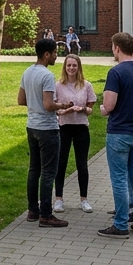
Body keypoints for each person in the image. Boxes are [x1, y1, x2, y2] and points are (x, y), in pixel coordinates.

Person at [97, 33, 133, 239]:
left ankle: (120, 224)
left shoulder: (116, 72)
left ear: (117, 48)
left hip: (119, 132)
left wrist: (103, 109)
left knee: (119, 178)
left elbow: (109, 105)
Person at [20, 38, 67, 227]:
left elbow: (21, 100)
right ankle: (46, 215)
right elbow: (48, 105)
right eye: (55, 53)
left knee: (34, 169)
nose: (56, 56)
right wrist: (62, 105)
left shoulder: (27, 72)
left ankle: (33, 210)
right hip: (47, 128)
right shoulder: (47, 75)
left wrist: (35, 103)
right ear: (46, 54)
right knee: (48, 172)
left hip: (32, 126)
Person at [53, 53, 96, 214]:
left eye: (74, 65)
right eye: (69, 65)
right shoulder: (58, 85)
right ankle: (58, 199)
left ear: (79, 67)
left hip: (81, 128)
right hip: (64, 127)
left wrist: (82, 108)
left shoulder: (86, 85)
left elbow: (90, 109)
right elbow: (54, 109)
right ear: (65, 67)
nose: (71, 68)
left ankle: (84, 199)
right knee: (61, 163)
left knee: (82, 164)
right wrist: (65, 110)